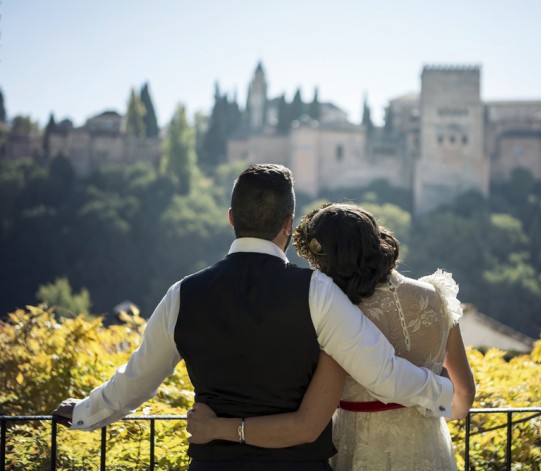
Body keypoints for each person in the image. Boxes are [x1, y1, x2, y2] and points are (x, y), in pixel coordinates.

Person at [51, 164, 453, 471]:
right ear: (288, 225)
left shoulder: (182, 295)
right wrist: (441, 393)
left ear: (231, 218)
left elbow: (135, 382)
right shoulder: (317, 293)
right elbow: (382, 374)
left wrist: (83, 412)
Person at [186, 203, 476, 470]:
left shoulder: (337, 314)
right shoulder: (437, 297)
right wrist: (421, 416)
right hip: (429, 448)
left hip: (358, 448)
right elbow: (463, 399)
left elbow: (310, 415)